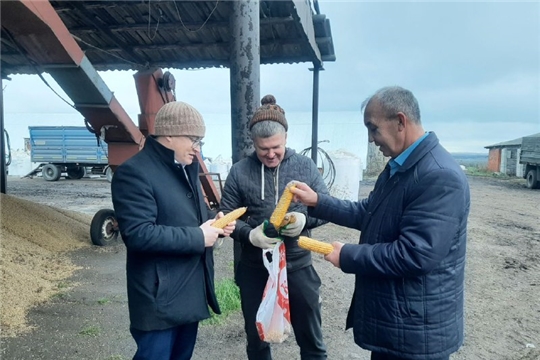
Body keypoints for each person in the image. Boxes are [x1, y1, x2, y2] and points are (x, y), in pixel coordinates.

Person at [291, 86, 471, 360]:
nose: (371, 139)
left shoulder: (439, 176)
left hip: (416, 333)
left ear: (400, 121)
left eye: (373, 129)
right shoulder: (400, 167)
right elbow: (369, 212)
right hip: (399, 324)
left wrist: (348, 255)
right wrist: (318, 201)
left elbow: (415, 254)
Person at [111, 101, 235, 360]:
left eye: (200, 141)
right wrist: (199, 237)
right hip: (159, 298)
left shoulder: (184, 168)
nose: (197, 148)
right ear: (168, 134)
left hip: (188, 293)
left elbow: (187, 216)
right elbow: (138, 234)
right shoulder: (134, 173)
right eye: (193, 139)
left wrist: (215, 222)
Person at [220, 94, 329, 360]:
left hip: (297, 265)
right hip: (255, 269)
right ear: (253, 144)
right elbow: (225, 219)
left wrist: (304, 220)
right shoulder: (239, 171)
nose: (270, 154)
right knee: (257, 340)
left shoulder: (304, 166)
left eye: (276, 147)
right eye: (263, 149)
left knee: (311, 338)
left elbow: (326, 207)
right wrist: (250, 235)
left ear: (286, 139)